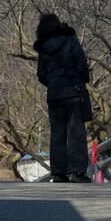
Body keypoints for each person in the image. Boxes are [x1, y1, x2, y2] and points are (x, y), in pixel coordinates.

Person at [34, 12, 91, 183]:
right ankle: (77, 171)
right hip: (73, 92)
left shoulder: (43, 47)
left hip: (54, 96)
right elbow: (81, 62)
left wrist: (52, 83)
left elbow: (41, 74)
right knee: (76, 133)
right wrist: (82, 78)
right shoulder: (70, 39)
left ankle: (58, 173)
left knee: (57, 133)